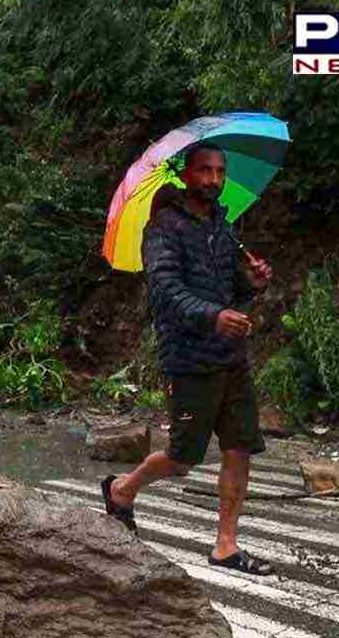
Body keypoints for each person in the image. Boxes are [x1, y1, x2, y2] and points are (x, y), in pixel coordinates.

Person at [101, 141, 275, 576]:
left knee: (239, 449)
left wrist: (252, 283)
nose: (214, 180)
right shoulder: (163, 228)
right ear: (185, 173)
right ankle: (122, 490)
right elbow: (165, 292)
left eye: (219, 172)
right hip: (189, 357)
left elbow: (231, 292)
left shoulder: (223, 223)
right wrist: (213, 315)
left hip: (231, 357)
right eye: (205, 171)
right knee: (183, 458)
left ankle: (226, 546)